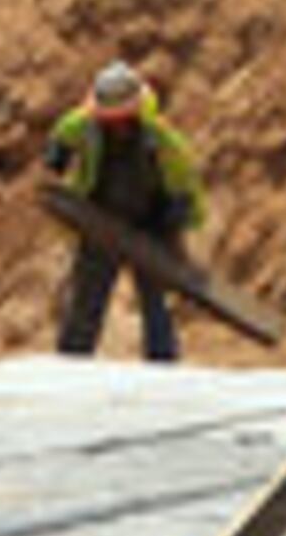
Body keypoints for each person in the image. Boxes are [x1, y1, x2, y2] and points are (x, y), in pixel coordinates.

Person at [46, 60, 206, 363]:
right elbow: (65, 131)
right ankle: (71, 363)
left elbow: (183, 177)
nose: (116, 125)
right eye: (110, 119)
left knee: (155, 302)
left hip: (149, 225)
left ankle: (163, 364)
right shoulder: (86, 126)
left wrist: (178, 214)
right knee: (87, 299)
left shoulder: (159, 138)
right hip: (100, 221)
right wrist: (58, 152)